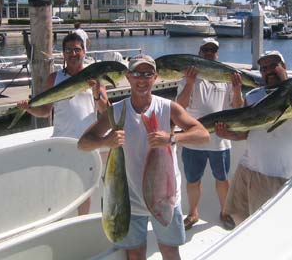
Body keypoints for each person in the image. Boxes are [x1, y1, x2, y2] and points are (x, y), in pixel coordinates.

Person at [78, 54, 210, 260]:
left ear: (155, 77)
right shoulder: (117, 111)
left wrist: (172, 138)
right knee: (136, 253)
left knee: (170, 250)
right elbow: (83, 143)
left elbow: (203, 134)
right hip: (130, 201)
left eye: (147, 74)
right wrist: (106, 142)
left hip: (166, 199)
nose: (142, 79)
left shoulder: (168, 107)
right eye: (137, 73)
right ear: (128, 77)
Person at [215, 50, 292, 226]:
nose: (268, 70)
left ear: (284, 66)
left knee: (264, 227)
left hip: (275, 176)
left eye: (273, 65)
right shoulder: (253, 96)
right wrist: (227, 134)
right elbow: (246, 133)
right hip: (246, 169)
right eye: (263, 68)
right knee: (238, 219)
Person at [17, 32, 108, 215]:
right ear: (63, 54)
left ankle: (80, 225)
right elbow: (44, 111)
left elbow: (105, 111)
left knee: (85, 188)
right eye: (69, 50)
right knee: (61, 187)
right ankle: (63, 224)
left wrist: (97, 90)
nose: (73, 54)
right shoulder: (54, 78)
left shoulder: (95, 76)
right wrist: (28, 108)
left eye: (77, 50)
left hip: (87, 141)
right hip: (61, 142)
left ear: (84, 52)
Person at [176, 37, 244, 231]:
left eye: (212, 50)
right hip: (193, 140)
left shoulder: (227, 77)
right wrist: (190, 82)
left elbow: (237, 107)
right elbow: (179, 106)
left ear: (217, 54)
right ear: (199, 53)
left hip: (219, 139)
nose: (208, 53)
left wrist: (238, 89)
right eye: (205, 49)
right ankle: (193, 213)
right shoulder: (187, 77)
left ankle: (225, 211)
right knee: (192, 180)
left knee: (222, 179)